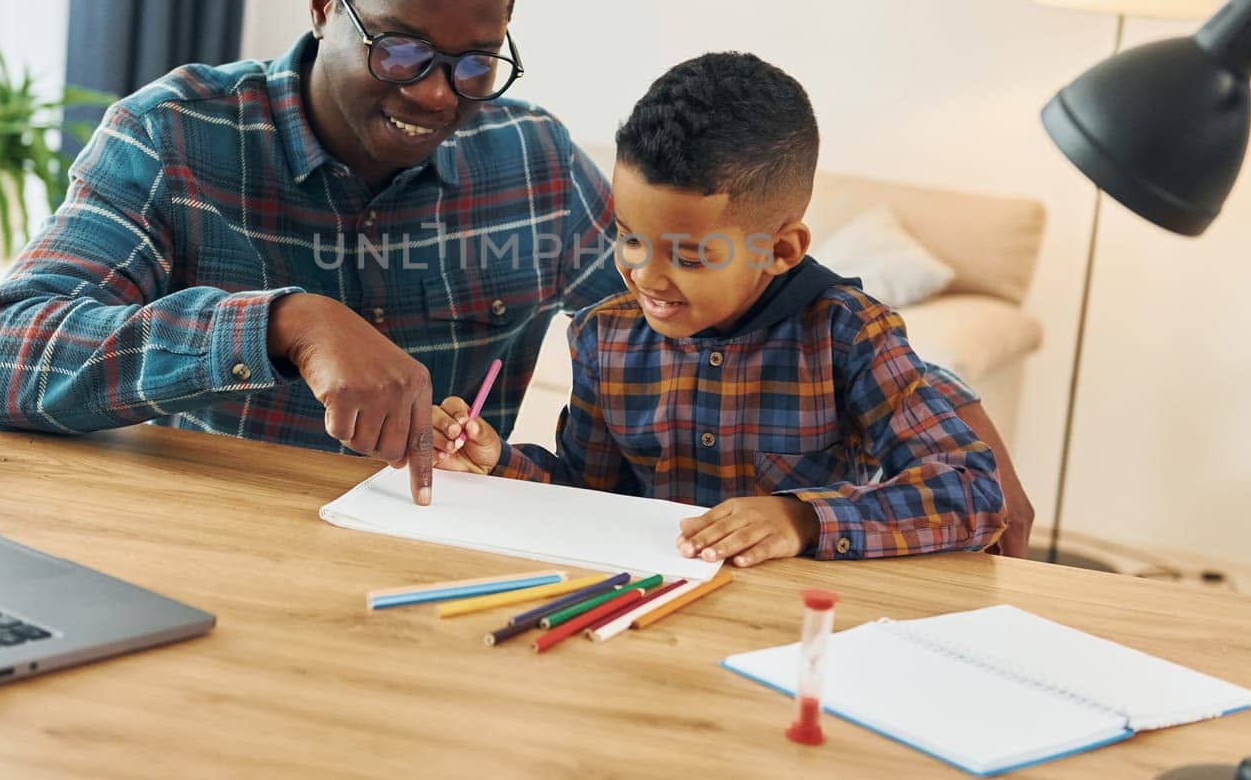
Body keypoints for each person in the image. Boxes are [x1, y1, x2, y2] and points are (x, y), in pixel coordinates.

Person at [0, 0, 1033, 551]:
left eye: (476, 62)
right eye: (404, 49)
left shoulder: (525, 163)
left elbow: (716, 296)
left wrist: (949, 429)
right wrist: (287, 324)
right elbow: (3, 356)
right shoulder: (174, 138)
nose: (437, 95)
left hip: (443, 583)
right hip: (204, 563)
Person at [431, 52, 1006, 565]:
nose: (645, 276)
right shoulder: (603, 337)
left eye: (687, 256)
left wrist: (803, 519)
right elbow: (588, 491)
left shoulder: (847, 336)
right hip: (635, 605)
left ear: (780, 251)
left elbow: (972, 491)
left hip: (785, 620)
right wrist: (499, 465)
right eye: (630, 238)